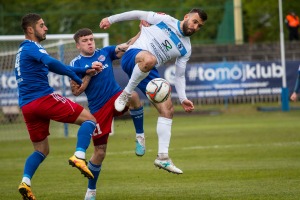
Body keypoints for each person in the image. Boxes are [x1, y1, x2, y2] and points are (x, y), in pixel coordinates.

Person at [99, 9, 207, 174]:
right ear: (186, 17)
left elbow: (179, 75)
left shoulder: (186, 48)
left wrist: (183, 98)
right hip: (133, 56)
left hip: (148, 69)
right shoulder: (165, 19)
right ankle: (126, 93)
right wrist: (111, 19)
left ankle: (162, 158)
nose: (195, 27)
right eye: (194, 21)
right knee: (150, 59)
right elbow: (136, 13)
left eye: (199, 26)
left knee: (168, 110)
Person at [15, 13, 100, 200]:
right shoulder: (31, 46)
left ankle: (25, 183)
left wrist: (83, 70)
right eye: (42, 25)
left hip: (27, 106)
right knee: (90, 120)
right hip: (43, 98)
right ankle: (79, 155)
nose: (45, 28)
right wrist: (76, 77)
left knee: (41, 150)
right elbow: (52, 62)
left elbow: (53, 66)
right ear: (31, 29)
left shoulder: (22, 51)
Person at [69, 28, 144, 200]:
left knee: (133, 95)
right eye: (85, 40)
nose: (89, 42)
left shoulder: (105, 52)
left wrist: (142, 31)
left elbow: (128, 45)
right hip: (98, 109)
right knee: (100, 152)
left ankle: (140, 137)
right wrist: (89, 73)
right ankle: (91, 191)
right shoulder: (76, 64)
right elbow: (76, 91)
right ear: (78, 45)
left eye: (91, 39)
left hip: (116, 97)